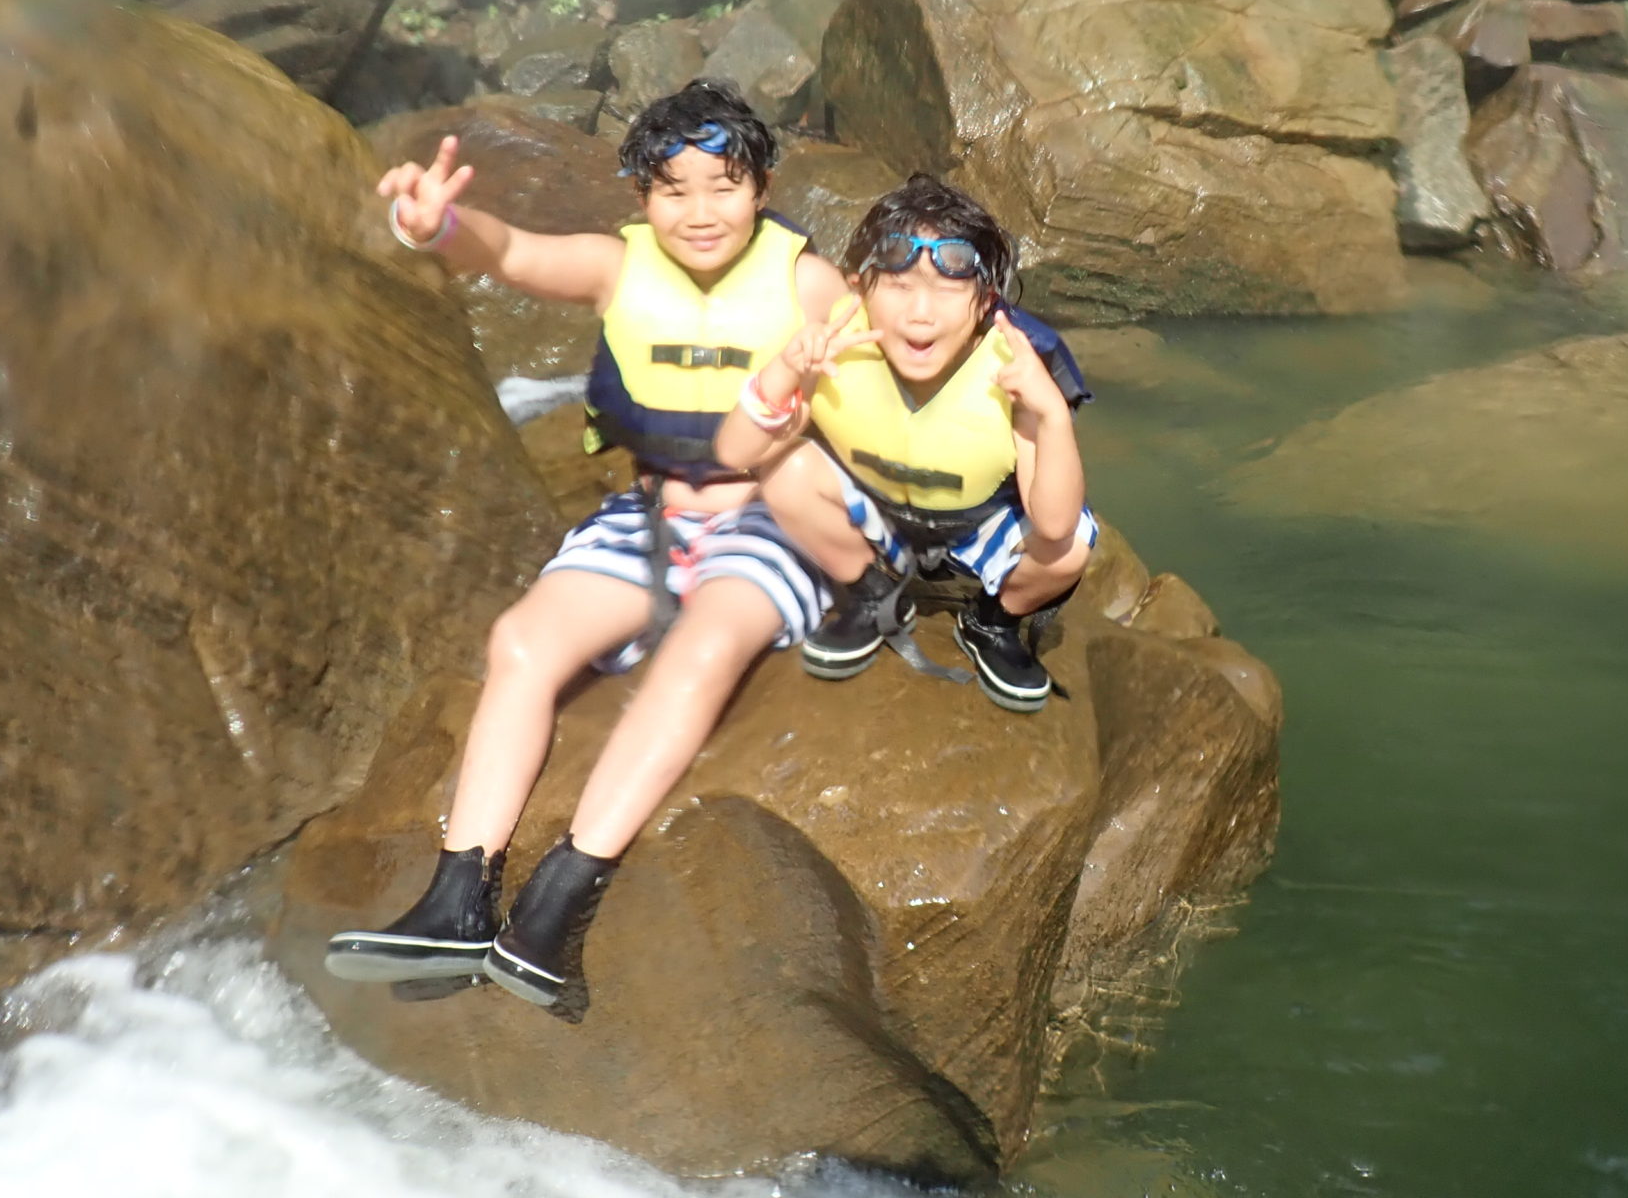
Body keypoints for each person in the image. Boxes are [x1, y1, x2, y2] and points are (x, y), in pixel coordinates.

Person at [323, 81, 851, 1018]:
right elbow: (515, 254)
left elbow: (884, 399)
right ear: (643, 198)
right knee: (522, 643)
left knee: (706, 643)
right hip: (645, 517)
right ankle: (459, 897)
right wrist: (435, 230)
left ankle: (561, 897)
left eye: (723, 186)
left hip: (768, 520)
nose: (700, 212)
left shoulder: (808, 282)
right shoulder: (618, 265)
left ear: (762, 188)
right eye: (673, 189)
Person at [715, 174, 1095, 714]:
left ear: (986, 301)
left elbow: (1053, 524)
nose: (921, 312)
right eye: (898, 286)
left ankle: (991, 622)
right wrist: (785, 370)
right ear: (860, 289)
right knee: (784, 471)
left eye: (947, 289)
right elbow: (736, 454)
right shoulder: (834, 343)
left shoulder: (1017, 364)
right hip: (878, 519)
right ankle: (871, 594)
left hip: (976, 527)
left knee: (1071, 545)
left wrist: (1052, 413)